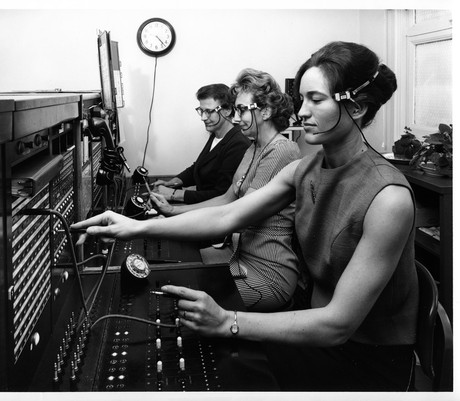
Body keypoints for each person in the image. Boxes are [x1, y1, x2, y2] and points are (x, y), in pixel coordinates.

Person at [72, 42, 419, 391]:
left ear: (356, 106)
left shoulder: (388, 198)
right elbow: (226, 216)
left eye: (316, 99)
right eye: (301, 99)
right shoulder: (306, 167)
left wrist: (227, 321)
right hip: (313, 333)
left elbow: (339, 323)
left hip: (362, 361)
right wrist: (135, 227)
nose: (302, 111)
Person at [151, 68, 302, 312]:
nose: (236, 117)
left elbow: (236, 217)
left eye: (242, 110)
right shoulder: (253, 148)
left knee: (185, 302)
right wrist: (171, 210)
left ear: (265, 110)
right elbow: (225, 199)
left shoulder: (283, 150)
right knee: (174, 279)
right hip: (240, 260)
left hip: (269, 273)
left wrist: (154, 225)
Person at [152, 84, 250, 204]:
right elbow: (199, 167)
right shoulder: (216, 133)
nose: (203, 117)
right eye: (201, 111)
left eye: (209, 111)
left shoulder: (238, 144)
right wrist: (172, 182)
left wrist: (173, 194)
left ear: (227, 110)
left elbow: (222, 195)